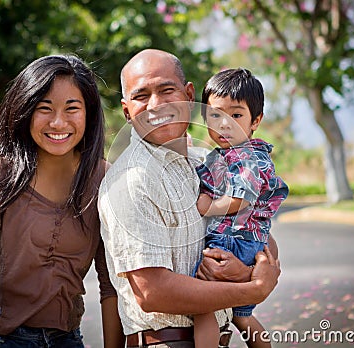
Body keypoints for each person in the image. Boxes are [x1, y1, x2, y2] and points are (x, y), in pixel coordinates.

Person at [98, 48, 281, 347]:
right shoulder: (132, 180)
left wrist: (247, 271)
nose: (156, 104)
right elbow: (152, 292)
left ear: (188, 94)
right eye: (141, 96)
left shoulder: (206, 163)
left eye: (166, 90)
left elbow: (256, 227)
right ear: (127, 110)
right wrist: (253, 289)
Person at [0, 54, 124, 347]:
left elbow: (111, 284)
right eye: (44, 108)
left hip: (67, 340)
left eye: (72, 108)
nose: (58, 122)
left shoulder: (105, 180)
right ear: (24, 110)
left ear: (89, 113)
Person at [192, 68, 289, 347]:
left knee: (203, 305)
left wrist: (207, 206)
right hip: (245, 240)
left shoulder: (247, 157)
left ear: (255, 120)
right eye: (215, 115)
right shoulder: (223, 154)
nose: (225, 124)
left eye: (236, 115)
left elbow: (242, 198)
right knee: (241, 316)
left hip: (233, 240)